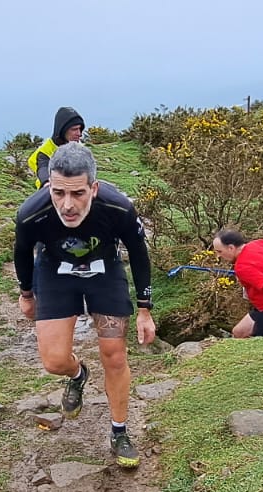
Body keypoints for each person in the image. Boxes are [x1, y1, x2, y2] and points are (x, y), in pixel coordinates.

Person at [14, 143, 154, 468]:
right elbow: (22, 253)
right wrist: (25, 294)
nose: (67, 205)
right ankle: (78, 375)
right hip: (55, 273)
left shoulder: (118, 208)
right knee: (54, 360)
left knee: (115, 355)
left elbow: (138, 252)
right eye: (59, 192)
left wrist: (145, 308)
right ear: (49, 185)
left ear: (94, 187)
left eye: (77, 194)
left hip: (104, 271)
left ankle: (119, 431)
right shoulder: (31, 213)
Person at [29, 107, 85, 189]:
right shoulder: (45, 151)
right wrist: (46, 183)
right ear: (63, 130)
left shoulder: (78, 147)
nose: (79, 133)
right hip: (52, 194)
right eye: (74, 129)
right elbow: (43, 168)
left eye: (80, 129)